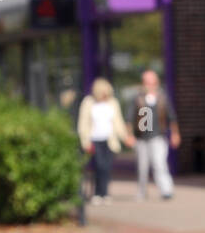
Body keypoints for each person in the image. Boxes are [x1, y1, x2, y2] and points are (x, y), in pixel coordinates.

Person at [77, 77, 134, 205]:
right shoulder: (88, 102)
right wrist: (85, 141)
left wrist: (125, 137)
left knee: (106, 168)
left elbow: (118, 122)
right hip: (94, 140)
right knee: (99, 166)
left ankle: (105, 193)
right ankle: (97, 193)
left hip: (109, 140)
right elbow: (83, 124)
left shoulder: (112, 103)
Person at [131, 70, 181, 200]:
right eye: (147, 82)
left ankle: (166, 190)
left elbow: (171, 117)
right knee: (142, 168)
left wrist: (175, 134)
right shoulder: (138, 98)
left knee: (160, 164)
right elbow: (130, 118)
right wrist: (129, 135)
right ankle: (142, 192)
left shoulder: (162, 97)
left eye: (152, 82)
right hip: (142, 137)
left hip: (158, 136)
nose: (149, 85)